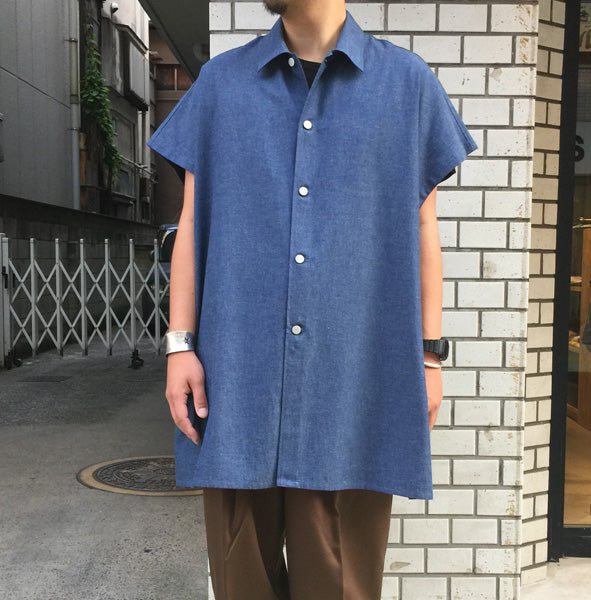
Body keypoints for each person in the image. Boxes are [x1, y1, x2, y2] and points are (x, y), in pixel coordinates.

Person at [148, 1, 477, 598]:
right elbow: (191, 224)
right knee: (240, 580)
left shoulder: (406, 86)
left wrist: (429, 357)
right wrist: (180, 346)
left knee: (341, 582)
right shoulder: (222, 84)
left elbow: (423, 228)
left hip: (351, 390)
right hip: (236, 386)